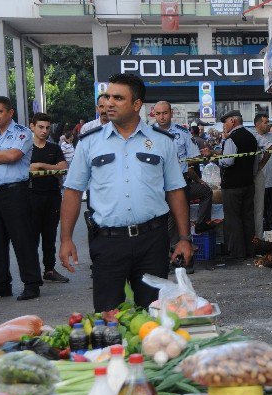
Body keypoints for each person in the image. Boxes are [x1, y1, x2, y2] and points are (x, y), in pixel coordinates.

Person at [59, 73, 193, 311]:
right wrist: (66, 239)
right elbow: (72, 191)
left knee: (154, 315)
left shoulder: (162, 141)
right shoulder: (90, 142)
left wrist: (184, 238)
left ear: (137, 104)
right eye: (108, 97)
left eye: (118, 98)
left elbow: (175, 190)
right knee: (109, 316)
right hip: (108, 242)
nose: (109, 103)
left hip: (152, 241)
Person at [0, 96, 42, 300]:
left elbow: (14, 157)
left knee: (22, 239)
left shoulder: (22, 133)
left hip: (16, 192)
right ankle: (2, 284)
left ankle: (31, 284)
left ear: (10, 112)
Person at [153, 101, 216, 237]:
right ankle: (168, 252)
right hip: (158, 183)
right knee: (169, 220)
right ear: (154, 114)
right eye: (158, 114)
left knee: (183, 216)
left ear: (171, 113)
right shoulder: (148, 133)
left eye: (165, 113)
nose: (162, 117)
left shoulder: (182, 133)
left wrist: (197, 179)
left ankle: (199, 227)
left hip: (181, 181)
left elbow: (193, 158)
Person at [29, 113, 69, 283]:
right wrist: (48, 169)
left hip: (52, 196)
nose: (44, 131)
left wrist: (41, 166)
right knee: (31, 236)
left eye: (47, 127)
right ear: (32, 126)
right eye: (40, 127)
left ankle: (49, 269)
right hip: (31, 196)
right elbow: (26, 169)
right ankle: (32, 273)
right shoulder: (25, 149)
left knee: (50, 234)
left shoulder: (54, 148)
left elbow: (63, 167)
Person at [219, 110, 257, 259]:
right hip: (248, 183)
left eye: (226, 121)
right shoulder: (251, 137)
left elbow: (227, 161)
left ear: (233, 121)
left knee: (233, 218)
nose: (224, 125)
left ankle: (237, 252)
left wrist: (218, 159)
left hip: (232, 186)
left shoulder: (232, 139)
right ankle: (250, 250)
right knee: (248, 217)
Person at [251, 113, 272, 237]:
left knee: (259, 209)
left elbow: (270, 148)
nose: (268, 124)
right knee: (256, 209)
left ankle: (257, 239)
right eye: (265, 122)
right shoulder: (252, 135)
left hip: (260, 176)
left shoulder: (270, 137)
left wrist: (261, 164)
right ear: (257, 124)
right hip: (255, 176)